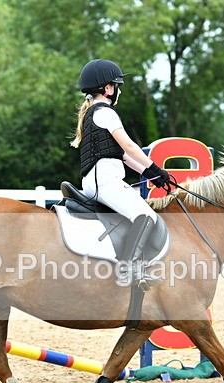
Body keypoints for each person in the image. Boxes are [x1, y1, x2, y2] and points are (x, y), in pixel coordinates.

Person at [70, 58, 170, 289]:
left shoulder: (92, 114)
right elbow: (130, 147)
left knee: (140, 214)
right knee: (146, 216)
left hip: (98, 181)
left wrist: (151, 175)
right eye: (117, 86)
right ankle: (128, 269)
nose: (119, 91)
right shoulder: (105, 112)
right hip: (105, 182)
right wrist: (157, 168)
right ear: (107, 88)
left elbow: (123, 157)